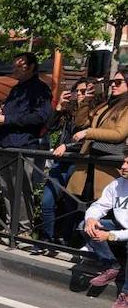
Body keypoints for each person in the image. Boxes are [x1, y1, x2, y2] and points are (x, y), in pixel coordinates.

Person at [0, 52, 53, 235]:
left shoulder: (40, 88)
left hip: (22, 145)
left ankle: (24, 230)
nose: (13, 68)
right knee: (7, 189)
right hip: (5, 143)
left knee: (22, 190)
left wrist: (6, 118)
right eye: (14, 65)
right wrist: (0, 116)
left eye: (19, 65)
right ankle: (11, 226)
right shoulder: (16, 89)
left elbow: (40, 116)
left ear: (31, 67)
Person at [36, 78, 92, 251]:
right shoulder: (69, 110)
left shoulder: (94, 111)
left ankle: (65, 239)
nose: (80, 95)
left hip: (78, 160)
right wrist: (59, 106)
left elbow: (88, 139)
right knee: (47, 200)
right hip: (61, 160)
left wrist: (66, 146)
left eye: (84, 92)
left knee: (71, 203)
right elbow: (50, 127)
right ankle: (47, 237)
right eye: (78, 91)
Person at [67, 68, 128, 201]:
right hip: (88, 164)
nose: (113, 85)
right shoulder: (106, 105)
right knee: (79, 208)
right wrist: (87, 101)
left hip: (108, 167)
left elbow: (119, 134)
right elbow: (81, 122)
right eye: (112, 82)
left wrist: (89, 133)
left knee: (100, 212)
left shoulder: (126, 108)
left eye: (118, 82)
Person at [82, 146, 128, 308]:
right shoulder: (117, 184)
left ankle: (126, 295)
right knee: (85, 226)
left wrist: (110, 235)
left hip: (122, 234)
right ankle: (113, 266)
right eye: (124, 161)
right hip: (121, 231)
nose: (123, 166)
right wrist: (91, 218)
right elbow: (99, 205)